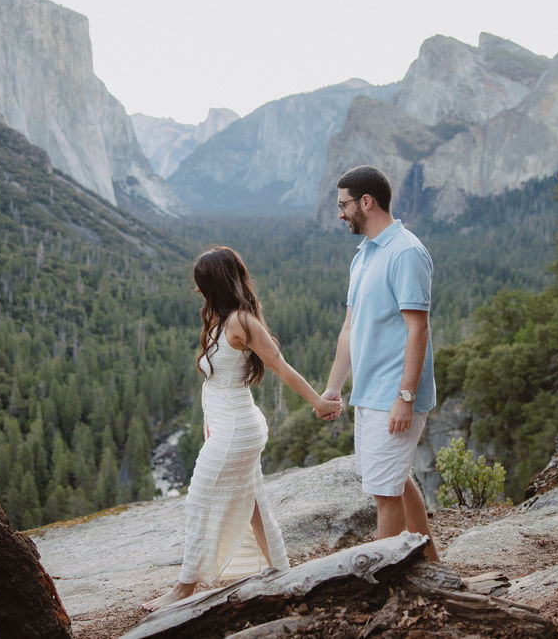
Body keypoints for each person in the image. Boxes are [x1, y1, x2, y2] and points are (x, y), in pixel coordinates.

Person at [144, 246, 343, 611]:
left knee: (200, 498)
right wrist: (208, 424)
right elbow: (215, 383)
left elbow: (280, 365)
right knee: (254, 504)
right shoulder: (218, 320)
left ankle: (184, 589)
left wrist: (318, 402)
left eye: (202, 282)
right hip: (225, 427)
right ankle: (281, 571)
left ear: (216, 282)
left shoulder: (241, 321)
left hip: (239, 428)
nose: (198, 289)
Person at [318, 165, 439, 562]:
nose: (339, 214)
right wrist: (334, 389)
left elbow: (417, 331)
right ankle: (429, 563)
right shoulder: (364, 256)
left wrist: (405, 396)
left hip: (394, 395)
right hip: (368, 394)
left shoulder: (406, 252)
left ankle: (384, 584)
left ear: (366, 202)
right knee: (396, 481)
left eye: (343, 205)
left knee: (384, 496)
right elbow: (349, 330)